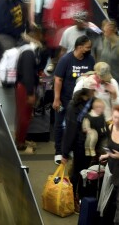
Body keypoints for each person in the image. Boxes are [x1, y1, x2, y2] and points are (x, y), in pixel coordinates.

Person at [53, 35, 96, 164]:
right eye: (87, 47)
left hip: (82, 102)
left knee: (76, 126)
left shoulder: (90, 60)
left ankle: (71, 149)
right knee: (60, 124)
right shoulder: (65, 60)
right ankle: (59, 152)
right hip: (64, 99)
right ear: (79, 47)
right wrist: (56, 98)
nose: (89, 49)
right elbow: (58, 80)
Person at [61, 76, 97, 212]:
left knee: (85, 173)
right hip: (80, 145)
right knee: (78, 173)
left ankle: (81, 199)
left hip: (89, 144)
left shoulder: (92, 103)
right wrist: (65, 153)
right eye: (93, 90)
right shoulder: (74, 105)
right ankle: (74, 199)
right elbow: (70, 131)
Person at [14, 28, 45, 152]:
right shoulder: (28, 53)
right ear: (36, 37)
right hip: (25, 88)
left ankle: (20, 138)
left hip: (24, 86)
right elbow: (27, 74)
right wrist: (30, 93)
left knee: (24, 116)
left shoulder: (27, 50)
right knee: (24, 116)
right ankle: (20, 143)